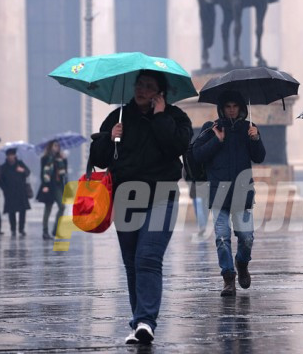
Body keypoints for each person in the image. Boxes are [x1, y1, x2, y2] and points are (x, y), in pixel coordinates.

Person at [90, 70, 193, 345]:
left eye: (149, 87)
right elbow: (98, 159)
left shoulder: (175, 117)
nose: (142, 90)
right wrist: (109, 137)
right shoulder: (119, 117)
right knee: (132, 262)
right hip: (126, 197)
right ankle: (139, 323)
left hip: (162, 195)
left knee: (148, 257)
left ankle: (146, 320)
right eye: (139, 85)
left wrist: (160, 117)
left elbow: (178, 146)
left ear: (160, 92)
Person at [192, 90, 266, 297]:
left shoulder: (248, 128)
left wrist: (256, 138)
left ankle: (242, 264)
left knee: (247, 238)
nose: (232, 110)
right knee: (222, 238)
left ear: (241, 108)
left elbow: (259, 157)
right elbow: (197, 155)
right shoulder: (211, 128)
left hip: (242, 194)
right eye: (228, 107)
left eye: (235, 106)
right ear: (222, 109)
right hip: (219, 194)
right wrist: (217, 140)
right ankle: (228, 278)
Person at [37, 141, 68, 240]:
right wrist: (45, 185)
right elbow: (43, 173)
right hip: (49, 186)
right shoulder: (45, 158)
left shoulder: (60, 158)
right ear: (50, 147)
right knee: (48, 208)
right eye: (55, 145)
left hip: (58, 186)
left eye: (58, 145)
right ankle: (45, 232)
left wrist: (65, 160)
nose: (57, 147)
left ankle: (56, 229)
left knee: (62, 207)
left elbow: (64, 172)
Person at [0, 148, 31, 236]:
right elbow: (0, 180)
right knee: (11, 211)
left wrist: (22, 170)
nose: (11, 157)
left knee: (22, 211)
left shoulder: (20, 164)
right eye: (9, 155)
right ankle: (13, 229)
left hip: (21, 191)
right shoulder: (3, 167)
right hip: (10, 192)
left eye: (12, 155)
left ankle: (21, 229)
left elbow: (28, 172)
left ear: (15, 156)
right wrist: (5, 189)